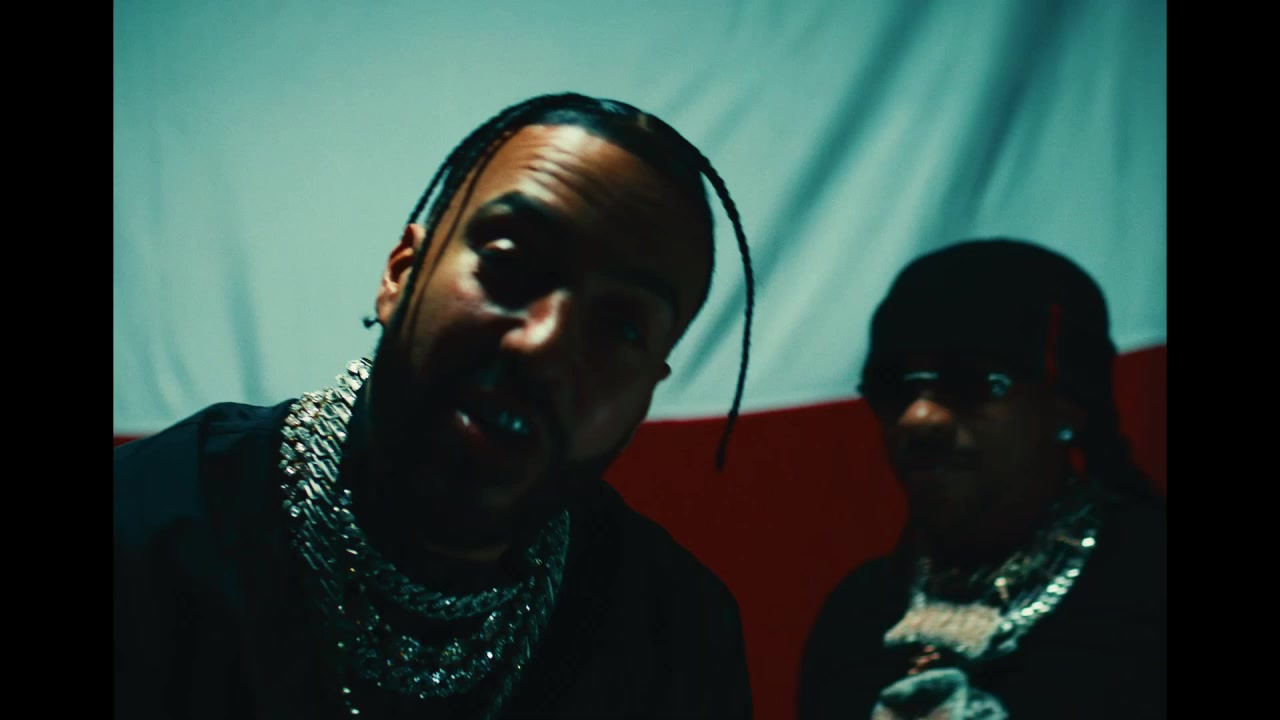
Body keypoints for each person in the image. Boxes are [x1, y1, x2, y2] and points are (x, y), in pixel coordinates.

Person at [114, 93, 757, 720]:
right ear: (401, 272)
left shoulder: (679, 638)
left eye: (623, 329)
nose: (543, 346)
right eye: (509, 263)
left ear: (647, 391)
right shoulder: (145, 535)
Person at [798, 239, 1166, 720]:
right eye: (893, 389)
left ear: (1068, 405)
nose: (918, 417)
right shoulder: (857, 615)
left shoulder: (1149, 585)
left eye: (972, 383)